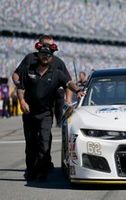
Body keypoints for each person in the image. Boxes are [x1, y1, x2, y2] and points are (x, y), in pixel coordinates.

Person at [16, 41, 85, 182]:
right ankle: (30, 171)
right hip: (29, 113)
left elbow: (69, 83)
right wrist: (22, 101)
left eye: (48, 55)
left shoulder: (57, 73)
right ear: (39, 55)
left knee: (44, 142)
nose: (45, 57)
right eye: (43, 54)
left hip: (46, 114)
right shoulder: (28, 69)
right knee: (30, 144)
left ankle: (42, 171)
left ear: (51, 57)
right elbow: (20, 87)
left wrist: (77, 90)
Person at [12, 35, 72, 172]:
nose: (48, 49)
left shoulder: (57, 62)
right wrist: (20, 84)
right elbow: (15, 75)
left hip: (47, 107)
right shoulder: (29, 59)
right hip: (29, 107)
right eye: (46, 45)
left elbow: (69, 82)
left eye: (51, 46)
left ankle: (44, 165)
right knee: (31, 140)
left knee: (45, 138)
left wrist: (68, 101)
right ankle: (32, 168)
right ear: (39, 45)